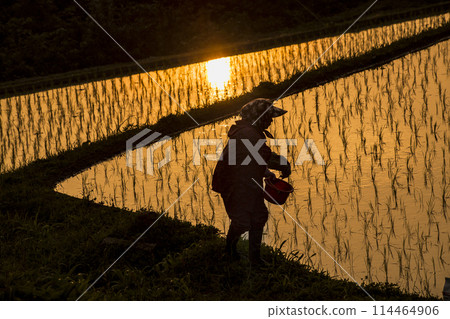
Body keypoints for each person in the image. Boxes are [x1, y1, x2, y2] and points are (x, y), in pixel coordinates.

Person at [212, 98, 291, 266]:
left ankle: (254, 258)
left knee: (259, 216)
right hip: (233, 183)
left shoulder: (250, 131)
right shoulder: (248, 133)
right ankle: (230, 253)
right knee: (241, 222)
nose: (270, 121)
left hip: (247, 181)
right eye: (268, 117)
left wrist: (267, 174)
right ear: (260, 117)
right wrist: (284, 164)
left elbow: (250, 159)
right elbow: (264, 155)